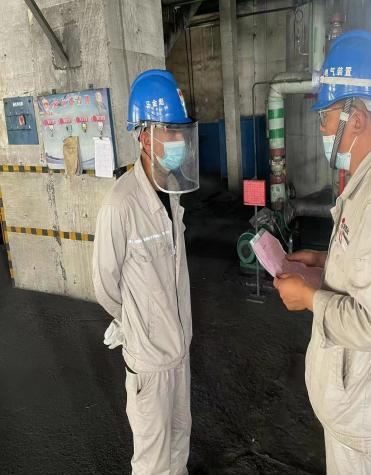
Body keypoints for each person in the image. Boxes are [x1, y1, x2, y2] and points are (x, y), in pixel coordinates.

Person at [273, 30, 371, 474]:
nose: (322, 128)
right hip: (358, 398)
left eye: (326, 115)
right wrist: (325, 261)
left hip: (362, 408)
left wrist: (309, 298)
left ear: (354, 118)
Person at [93, 69, 199, 475]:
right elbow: (104, 285)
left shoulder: (171, 191)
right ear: (144, 136)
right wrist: (136, 323)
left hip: (179, 350)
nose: (178, 140)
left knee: (179, 441)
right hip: (150, 362)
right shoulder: (120, 204)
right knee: (153, 460)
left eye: (180, 131)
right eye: (170, 130)